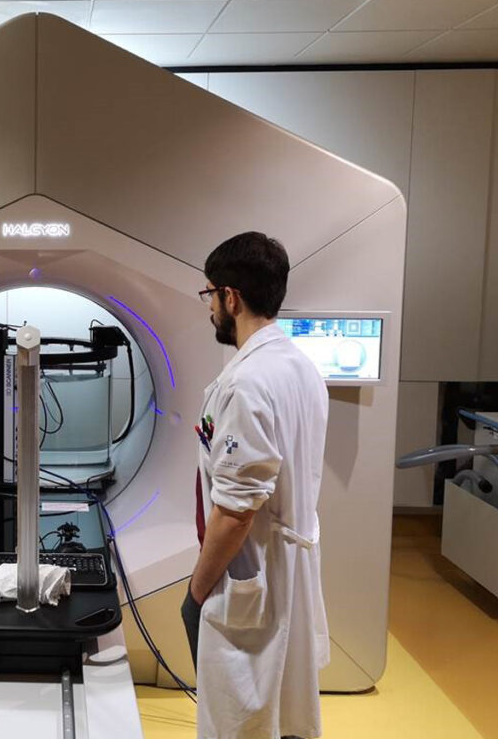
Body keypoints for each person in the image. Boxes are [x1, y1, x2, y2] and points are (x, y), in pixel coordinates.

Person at [181, 232, 330, 739]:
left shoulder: (246, 383)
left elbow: (236, 512)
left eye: (210, 295)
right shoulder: (299, 367)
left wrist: (197, 592)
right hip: (284, 567)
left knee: (241, 719)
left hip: (253, 574)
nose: (209, 308)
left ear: (231, 297)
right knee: (281, 717)